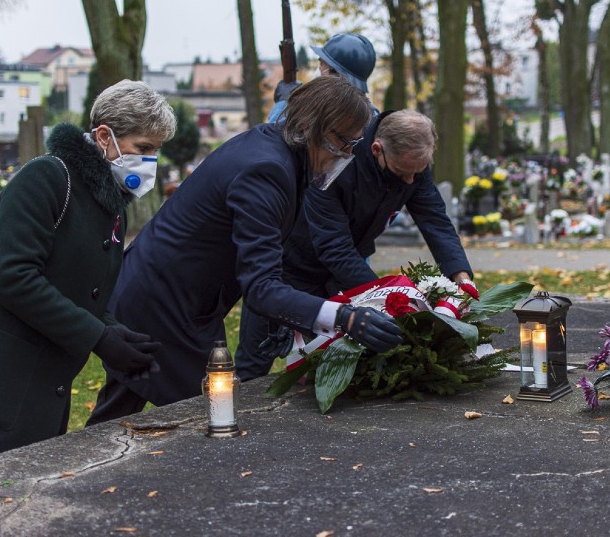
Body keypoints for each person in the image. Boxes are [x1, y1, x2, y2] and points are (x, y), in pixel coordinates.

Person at [86, 75, 403, 424]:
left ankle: (71, 472)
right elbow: (262, 286)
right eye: (343, 143)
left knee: (123, 410)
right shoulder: (266, 170)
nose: (346, 156)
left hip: (166, 299)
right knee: (215, 417)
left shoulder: (275, 153)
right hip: (164, 310)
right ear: (313, 128)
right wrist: (345, 317)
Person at [0, 80, 177, 469]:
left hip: (35, 396)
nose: (151, 161)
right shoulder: (47, 178)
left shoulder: (111, 204)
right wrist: (97, 337)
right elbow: (12, 276)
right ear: (105, 137)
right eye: (143, 148)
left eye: (156, 150)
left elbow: (81, 289)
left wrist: (114, 331)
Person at [235, 110, 478, 380]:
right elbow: (334, 247)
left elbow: (434, 220)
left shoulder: (410, 161)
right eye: (402, 173)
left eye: (417, 174)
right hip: (288, 270)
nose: (410, 182)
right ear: (377, 150)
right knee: (253, 364)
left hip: (342, 277)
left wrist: (461, 276)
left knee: (329, 370)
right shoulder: (337, 160)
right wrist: (387, 301)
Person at [268, 32, 377, 123]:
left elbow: (275, 141)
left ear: (335, 74)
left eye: (321, 64)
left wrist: (283, 105)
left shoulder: (334, 118)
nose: (318, 69)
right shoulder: (372, 116)